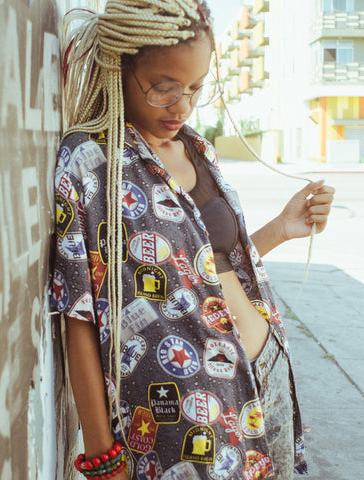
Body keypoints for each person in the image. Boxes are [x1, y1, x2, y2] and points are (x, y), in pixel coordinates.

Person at [51, 1, 335, 479]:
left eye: (195, 88)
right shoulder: (90, 162)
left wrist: (283, 228)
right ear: (120, 66)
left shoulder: (196, 147)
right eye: (164, 88)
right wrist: (103, 457)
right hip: (184, 419)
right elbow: (77, 315)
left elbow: (198, 271)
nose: (182, 106)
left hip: (265, 375)